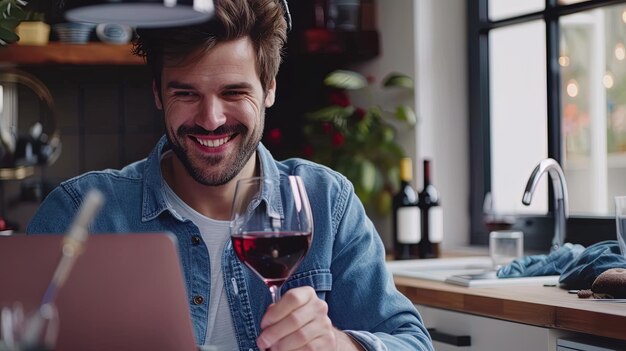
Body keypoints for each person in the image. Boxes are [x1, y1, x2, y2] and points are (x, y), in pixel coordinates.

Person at [27, 0, 434, 350]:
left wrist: (338, 343)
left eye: (234, 93)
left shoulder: (327, 201)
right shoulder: (80, 212)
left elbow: (411, 340)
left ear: (269, 89)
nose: (210, 119)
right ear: (157, 93)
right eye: (185, 94)